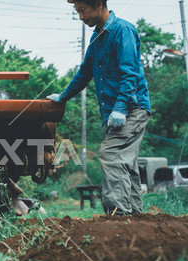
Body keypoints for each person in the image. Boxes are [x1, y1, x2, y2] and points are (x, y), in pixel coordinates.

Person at [47, 0, 151, 215]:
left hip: (132, 108)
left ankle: (118, 214)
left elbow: (130, 72)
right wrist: (63, 97)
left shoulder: (122, 30)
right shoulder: (96, 38)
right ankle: (135, 216)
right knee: (124, 162)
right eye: (78, 12)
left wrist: (120, 107)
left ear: (97, 5)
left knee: (110, 153)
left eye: (82, 11)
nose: (81, 17)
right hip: (115, 112)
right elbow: (85, 73)